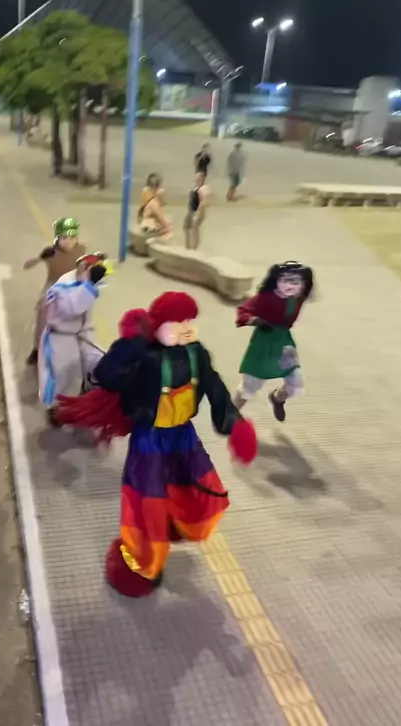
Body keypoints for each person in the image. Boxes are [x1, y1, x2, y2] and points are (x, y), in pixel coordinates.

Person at [51, 291, 258, 597]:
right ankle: (139, 563)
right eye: (177, 322)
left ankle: (177, 520)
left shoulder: (197, 353)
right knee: (145, 501)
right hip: (149, 440)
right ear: (156, 326)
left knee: (199, 489)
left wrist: (234, 424)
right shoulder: (144, 357)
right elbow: (107, 375)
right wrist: (130, 344)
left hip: (183, 435)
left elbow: (215, 388)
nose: (186, 328)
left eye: (189, 321)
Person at [234, 261, 314, 422]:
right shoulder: (266, 298)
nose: (290, 286)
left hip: (284, 343)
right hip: (263, 344)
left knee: (295, 381)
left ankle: (277, 398)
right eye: (285, 280)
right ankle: (229, 414)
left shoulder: (298, 297)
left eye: (295, 281)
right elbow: (244, 310)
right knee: (251, 384)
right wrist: (254, 320)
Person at [38, 253, 108, 411]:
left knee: (96, 362)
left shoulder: (85, 283)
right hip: (60, 337)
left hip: (81, 334)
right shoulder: (64, 285)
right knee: (63, 376)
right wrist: (89, 284)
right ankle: (57, 410)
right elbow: (73, 308)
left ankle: (85, 396)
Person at [23, 217, 86, 365]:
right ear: (58, 238)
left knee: (82, 317)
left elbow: (82, 269)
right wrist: (40, 257)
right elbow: (26, 266)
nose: (68, 242)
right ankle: (37, 349)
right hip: (53, 286)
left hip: (72, 286)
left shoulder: (81, 249)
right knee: (42, 317)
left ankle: (79, 348)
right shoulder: (50, 251)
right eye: (64, 238)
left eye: (72, 238)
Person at [138, 173, 172, 237]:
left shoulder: (149, 193)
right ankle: (164, 228)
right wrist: (167, 227)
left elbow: (161, 206)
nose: (162, 188)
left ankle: (164, 228)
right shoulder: (151, 201)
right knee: (168, 228)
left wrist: (159, 197)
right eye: (160, 186)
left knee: (168, 219)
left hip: (148, 219)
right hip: (148, 225)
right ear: (155, 187)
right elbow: (158, 209)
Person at [183, 172, 209, 250]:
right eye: (195, 178)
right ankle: (188, 245)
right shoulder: (195, 187)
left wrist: (198, 213)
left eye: (197, 179)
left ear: (201, 179)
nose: (195, 180)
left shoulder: (203, 189)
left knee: (195, 229)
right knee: (186, 227)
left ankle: (195, 247)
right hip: (191, 211)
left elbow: (204, 202)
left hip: (197, 212)